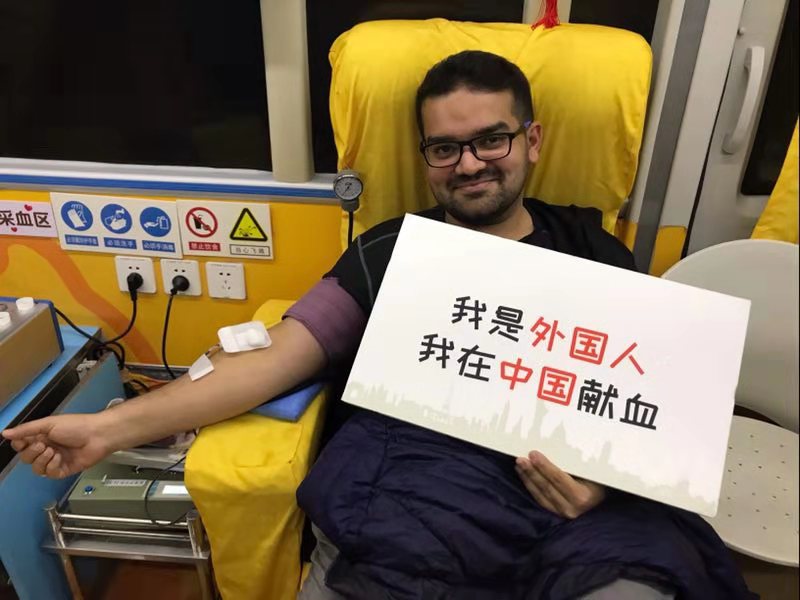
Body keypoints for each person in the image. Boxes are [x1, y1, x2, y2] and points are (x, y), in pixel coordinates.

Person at [3, 51, 754, 600]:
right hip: (420, 489)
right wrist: (106, 431)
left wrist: (606, 487)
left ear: (532, 140)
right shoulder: (394, 250)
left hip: (570, 504)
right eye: (445, 148)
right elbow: (279, 355)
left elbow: (649, 404)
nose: (470, 164)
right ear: (426, 159)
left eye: (491, 139)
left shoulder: (594, 251)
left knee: (644, 572)